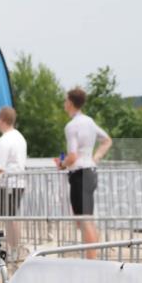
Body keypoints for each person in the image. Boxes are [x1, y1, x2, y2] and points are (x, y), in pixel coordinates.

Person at [56, 87, 113, 258]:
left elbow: (72, 156)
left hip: (80, 173)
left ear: (71, 103)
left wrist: (62, 164)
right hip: (90, 170)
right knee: (86, 219)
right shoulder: (89, 121)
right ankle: (92, 256)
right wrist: (95, 158)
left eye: (65, 101)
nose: (64, 104)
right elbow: (107, 140)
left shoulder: (71, 126)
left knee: (84, 219)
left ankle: (92, 260)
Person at [0, 106, 28, 252]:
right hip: (17, 182)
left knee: (9, 219)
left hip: (7, 185)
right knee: (10, 218)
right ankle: (14, 248)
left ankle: (13, 248)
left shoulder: (4, 141)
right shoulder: (19, 137)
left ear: (3, 120)